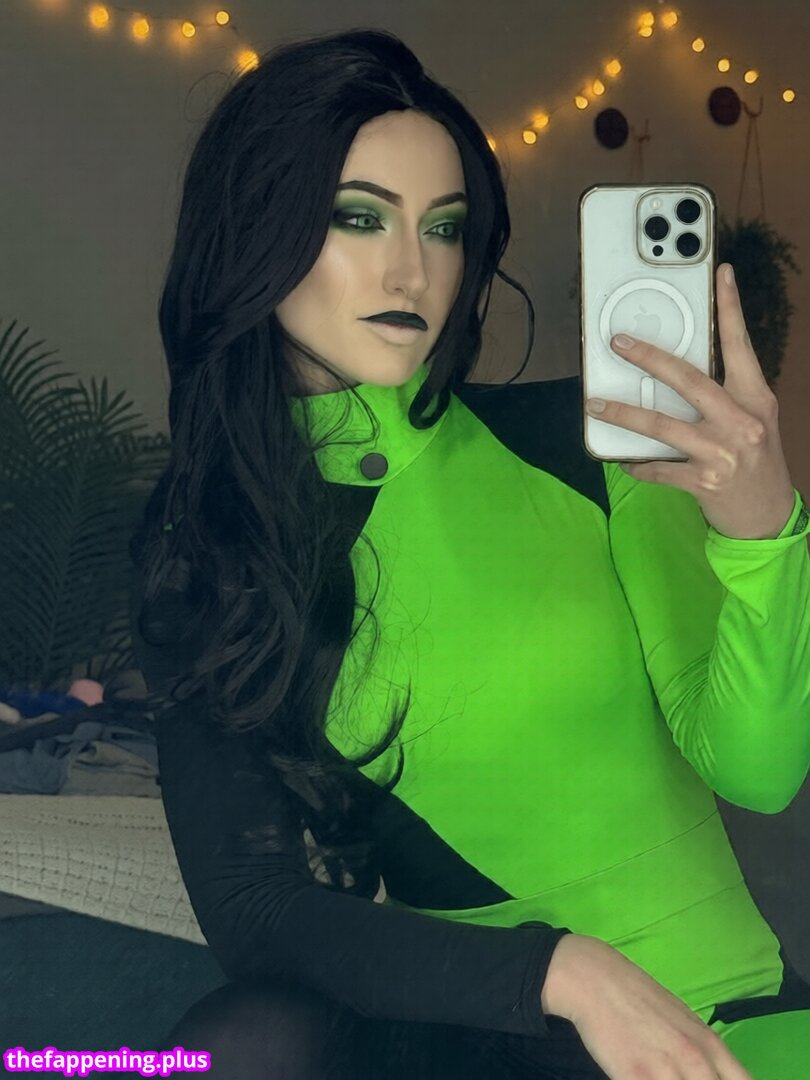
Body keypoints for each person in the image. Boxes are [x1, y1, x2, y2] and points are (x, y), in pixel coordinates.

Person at [128, 27, 810, 1079]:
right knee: (240, 1043)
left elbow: (759, 774)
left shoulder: (589, 448)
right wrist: (560, 972)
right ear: (258, 226)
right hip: (482, 1023)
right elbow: (253, 909)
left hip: (719, 1008)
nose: (413, 269)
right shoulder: (213, 539)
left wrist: (764, 536)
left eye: (443, 228)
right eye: (360, 217)